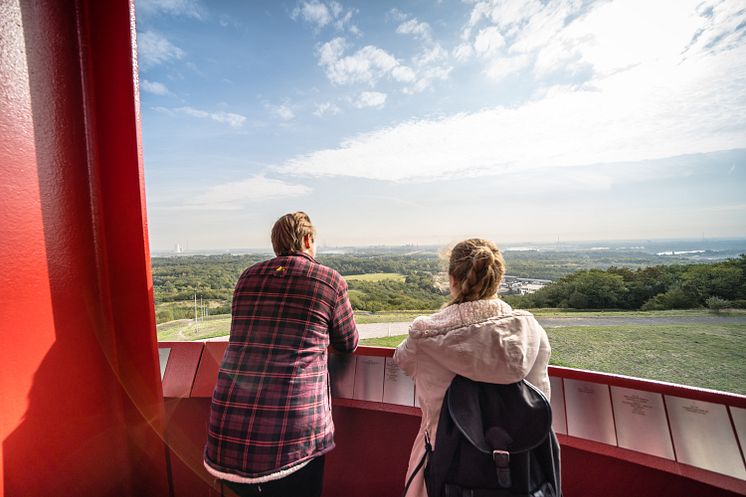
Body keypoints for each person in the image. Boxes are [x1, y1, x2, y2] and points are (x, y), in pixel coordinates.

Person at [204, 212, 359, 497]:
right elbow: (348, 342)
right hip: (291, 441)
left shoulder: (248, 277)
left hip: (227, 433)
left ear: (276, 244)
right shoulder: (328, 281)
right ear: (308, 239)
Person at [394, 238, 551, 497]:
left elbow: (401, 359)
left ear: (452, 278)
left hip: (445, 465)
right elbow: (542, 395)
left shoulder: (425, 337)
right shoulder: (531, 331)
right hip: (521, 472)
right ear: (499, 279)